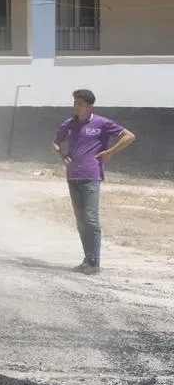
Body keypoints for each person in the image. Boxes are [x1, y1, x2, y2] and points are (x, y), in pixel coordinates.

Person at [52, 88, 135, 276]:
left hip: (91, 176)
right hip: (72, 176)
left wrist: (110, 152)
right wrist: (61, 154)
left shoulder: (102, 123)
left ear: (89, 106)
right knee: (81, 221)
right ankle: (87, 259)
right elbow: (55, 143)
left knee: (90, 219)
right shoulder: (69, 124)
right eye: (74, 103)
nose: (76, 107)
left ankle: (95, 262)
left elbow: (129, 136)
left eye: (79, 104)